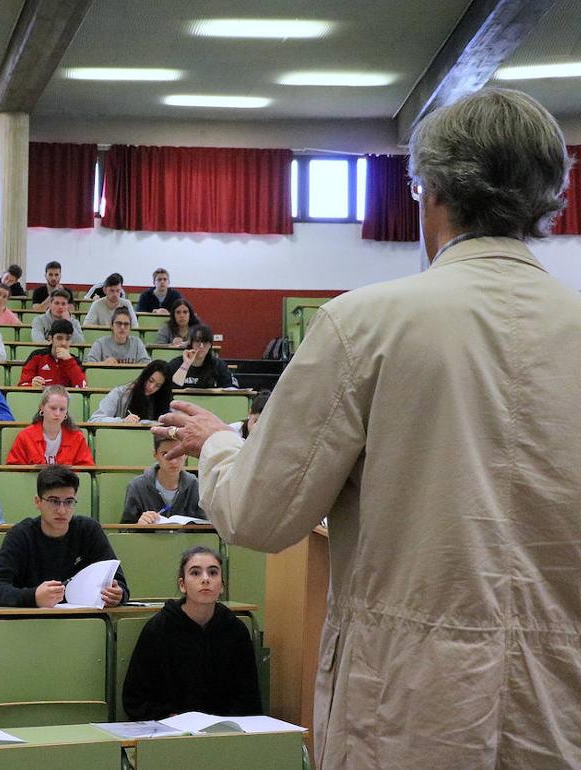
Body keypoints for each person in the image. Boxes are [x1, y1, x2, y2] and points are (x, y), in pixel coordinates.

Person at [155, 88, 581, 767]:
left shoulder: (368, 324)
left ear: (431, 191)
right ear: (547, 196)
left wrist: (220, 445)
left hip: (411, 706)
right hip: (561, 708)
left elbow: (263, 516)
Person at [122, 546, 260, 720]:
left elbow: (248, 698)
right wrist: (170, 717)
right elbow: (134, 699)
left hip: (225, 733)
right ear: (182, 585)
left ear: (222, 586)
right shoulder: (158, 629)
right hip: (170, 731)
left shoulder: (235, 630)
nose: (205, 579)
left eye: (213, 573)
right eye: (195, 573)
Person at [0, 465, 129, 607]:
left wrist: (118, 594)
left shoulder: (89, 530)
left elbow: (118, 581)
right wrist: (33, 597)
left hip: (79, 622)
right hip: (29, 623)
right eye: (53, 501)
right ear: (38, 502)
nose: (62, 510)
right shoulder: (21, 535)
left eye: (69, 502)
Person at [122, 434, 206, 523]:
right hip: (149, 537)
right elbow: (125, 531)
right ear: (155, 454)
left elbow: (206, 529)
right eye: (165, 454)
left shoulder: (196, 485)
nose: (173, 461)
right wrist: (139, 525)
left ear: (186, 454)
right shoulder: (137, 486)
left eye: (179, 453)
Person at [5, 386, 94, 466]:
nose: (57, 413)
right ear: (42, 408)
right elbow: (14, 469)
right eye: (53, 408)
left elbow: (86, 470)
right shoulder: (25, 436)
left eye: (62, 409)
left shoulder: (77, 438)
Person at [89, 360, 173, 423]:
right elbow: (95, 419)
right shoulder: (120, 393)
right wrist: (122, 421)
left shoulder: (164, 400)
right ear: (144, 376)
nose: (151, 387)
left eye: (158, 385)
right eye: (150, 380)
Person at [19, 319, 86, 388]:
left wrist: (69, 361)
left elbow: (82, 387)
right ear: (51, 339)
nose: (64, 343)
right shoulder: (37, 356)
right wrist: (32, 385)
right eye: (59, 338)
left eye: (68, 339)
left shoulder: (75, 362)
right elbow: (22, 385)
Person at [167, 325, 235, 389]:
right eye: (197, 341)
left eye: (205, 342)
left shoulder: (219, 365)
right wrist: (186, 364)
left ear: (210, 345)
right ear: (191, 343)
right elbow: (171, 388)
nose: (201, 346)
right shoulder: (175, 364)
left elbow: (228, 389)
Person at [86, 306, 150, 364]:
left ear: (130, 327)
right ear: (111, 326)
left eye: (126, 324)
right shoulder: (100, 343)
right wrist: (104, 363)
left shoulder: (137, 343)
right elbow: (88, 363)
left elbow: (147, 364)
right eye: (118, 323)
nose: (122, 327)